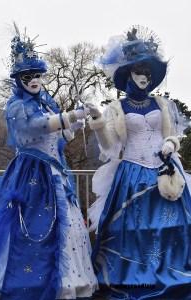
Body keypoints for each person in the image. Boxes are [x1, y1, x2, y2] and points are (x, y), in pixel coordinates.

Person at [0, 26, 97, 300]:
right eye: (29, 76)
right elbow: (33, 129)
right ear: (19, 79)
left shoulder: (46, 102)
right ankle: (30, 280)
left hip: (55, 170)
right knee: (34, 224)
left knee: (67, 223)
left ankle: (71, 282)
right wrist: (71, 115)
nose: (35, 80)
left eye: (38, 75)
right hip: (31, 173)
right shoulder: (16, 106)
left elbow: (60, 136)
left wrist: (76, 123)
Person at [88, 26, 191, 299]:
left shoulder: (161, 103)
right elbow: (111, 147)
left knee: (171, 226)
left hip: (164, 172)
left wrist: (170, 144)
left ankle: (171, 270)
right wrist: (99, 124)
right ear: (127, 75)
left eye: (147, 72)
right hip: (131, 173)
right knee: (131, 229)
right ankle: (134, 277)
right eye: (138, 72)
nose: (143, 77)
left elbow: (171, 134)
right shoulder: (116, 108)